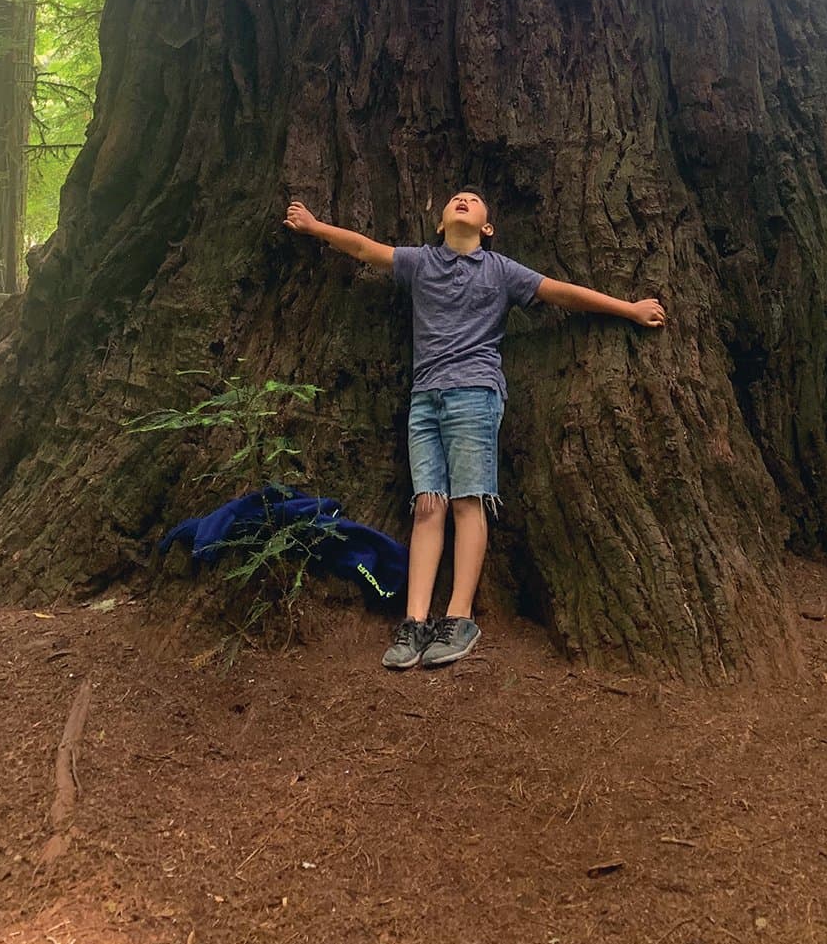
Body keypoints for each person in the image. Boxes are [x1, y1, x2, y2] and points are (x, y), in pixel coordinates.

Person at [283, 189, 666, 669]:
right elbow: (364, 249)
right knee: (428, 506)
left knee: (468, 501)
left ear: (487, 227)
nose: (462, 200)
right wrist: (316, 227)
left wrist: (629, 309)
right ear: (441, 225)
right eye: (454, 199)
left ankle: (459, 616)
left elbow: (561, 293)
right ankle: (415, 622)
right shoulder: (421, 263)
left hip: (475, 393)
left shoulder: (501, 270)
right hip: (425, 399)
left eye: (474, 199)